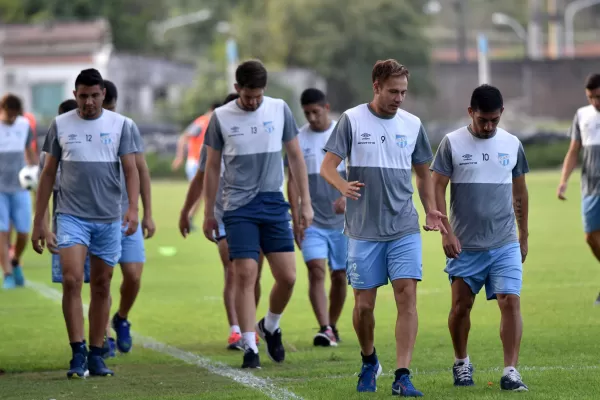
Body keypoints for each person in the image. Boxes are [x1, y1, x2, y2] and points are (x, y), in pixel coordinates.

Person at [320, 59, 446, 396]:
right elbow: (327, 166)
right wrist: (341, 186)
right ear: (376, 87)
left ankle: (402, 376)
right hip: (363, 230)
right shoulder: (351, 120)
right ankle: (368, 360)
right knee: (364, 307)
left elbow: (423, 174)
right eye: (393, 91)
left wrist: (431, 209)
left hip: (403, 226)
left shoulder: (413, 124)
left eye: (404, 92)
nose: (399, 98)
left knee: (407, 296)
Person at [202, 60, 313, 369]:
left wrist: (305, 203)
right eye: (248, 96)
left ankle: (271, 326)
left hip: (273, 203)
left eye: (258, 96)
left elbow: (295, 158)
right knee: (245, 274)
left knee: (288, 277)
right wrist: (211, 212)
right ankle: (250, 345)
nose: (253, 102)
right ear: (237, 89)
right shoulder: (221, 117)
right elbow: (211, 168)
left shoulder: (279, 109)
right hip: (238, 207)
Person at [32, 68, 140, 379]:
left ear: (103, 94)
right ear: (75, 94)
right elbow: (48, 174)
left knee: (103, 285)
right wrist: (40, 221)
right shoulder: (61, 125)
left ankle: (96, 354)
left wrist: (133, 209)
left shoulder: (122, 125)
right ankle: (77, 352)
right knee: (71, 280)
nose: (88, 102)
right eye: (82, 96)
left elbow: (131, 170)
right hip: (71, 215)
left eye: (94, 95)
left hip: (108, 218)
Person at [431, 84, 530, 391]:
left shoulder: (512, 144)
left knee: (510, 301)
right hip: (465, 245)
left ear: (501, 114)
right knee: (461, 307)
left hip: (504, 242)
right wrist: (445, 233)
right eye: (482, 120)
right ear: (470, 112)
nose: (488, 127)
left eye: (494, 120)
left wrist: (523, 235)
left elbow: (520, 193)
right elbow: (436, 188)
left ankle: (511, 371)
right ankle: (461, 363)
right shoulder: (451, 143)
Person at [180, 92, 263, 350]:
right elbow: (200, 179)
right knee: (233, 272)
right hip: (224, 215)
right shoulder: (214, 143)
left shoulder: (258, 137)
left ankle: (249, 326)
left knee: (253, 275)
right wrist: (187, 211)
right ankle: (236, 330)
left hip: (255, 215)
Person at [287, 88, 347, 346]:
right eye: (307, 113)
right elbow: (292, 181)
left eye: (316, 111)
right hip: (312, 220)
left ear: (326, 107)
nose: (312, 117)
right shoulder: (298, 138)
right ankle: (324, 327)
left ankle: (332, 325)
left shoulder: (343, 134)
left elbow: (360, 169)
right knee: (316, 270)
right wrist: (296, 213)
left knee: (340, 275)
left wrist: (347, 194)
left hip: (343, 222)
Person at [102, 79, 156, 356]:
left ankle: (121, 318)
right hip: (98, 216)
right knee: (104, 277)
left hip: (127, 215)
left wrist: (147, 213)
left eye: (110, 106)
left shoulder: (126, 126)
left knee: (133, 276)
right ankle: (103, 335)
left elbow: (141, 170)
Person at [558, 73, 600, 304]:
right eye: (591, 97)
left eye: (599, 96)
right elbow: (574, 150)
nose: (595, 102)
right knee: (590, 237)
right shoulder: (582, 115)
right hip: (591, 188)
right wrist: (564, 180)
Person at [0, 94, 38, 289]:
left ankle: (15, 261)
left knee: (23, 233)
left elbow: (30, 152)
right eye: (9, 115)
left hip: (20, 187)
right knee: (2, 232)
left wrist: (36, 173)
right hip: (0, 190)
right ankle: (7, 274)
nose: (12, 119)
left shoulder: (24, 125)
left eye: (15, 115)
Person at [172, 101, 222, 225]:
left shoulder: (214, 123)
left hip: (203, 163)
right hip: (196, 162)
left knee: (204, 193)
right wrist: (179, 156)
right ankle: (189, 217)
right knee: (201, 192)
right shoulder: (203, 122)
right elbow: (184, 137)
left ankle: (190, 218)